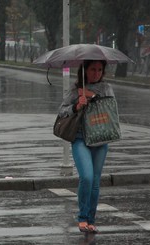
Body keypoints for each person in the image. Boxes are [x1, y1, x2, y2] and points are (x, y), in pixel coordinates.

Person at [58, 60, 114, 234]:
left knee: (96, 182)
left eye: (99, 70)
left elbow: (111, 109)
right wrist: (76, 106)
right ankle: (82, 217)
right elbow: (61, 111)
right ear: (85, 70)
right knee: (87, 177)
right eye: (92, 69)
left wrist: (91, 96)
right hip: (81, 138)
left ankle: (91, 219)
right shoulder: (75, 90)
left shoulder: (106, 88)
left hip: (100, 139)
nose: (96, 73)